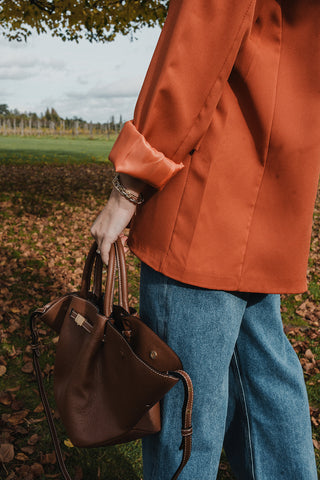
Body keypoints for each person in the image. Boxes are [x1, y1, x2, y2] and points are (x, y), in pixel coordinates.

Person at [91, 0, 320, 478]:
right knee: (267, 391)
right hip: (269, 202)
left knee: (185, 408)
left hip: (204, 203)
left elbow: (194, 48)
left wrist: (129, 185)